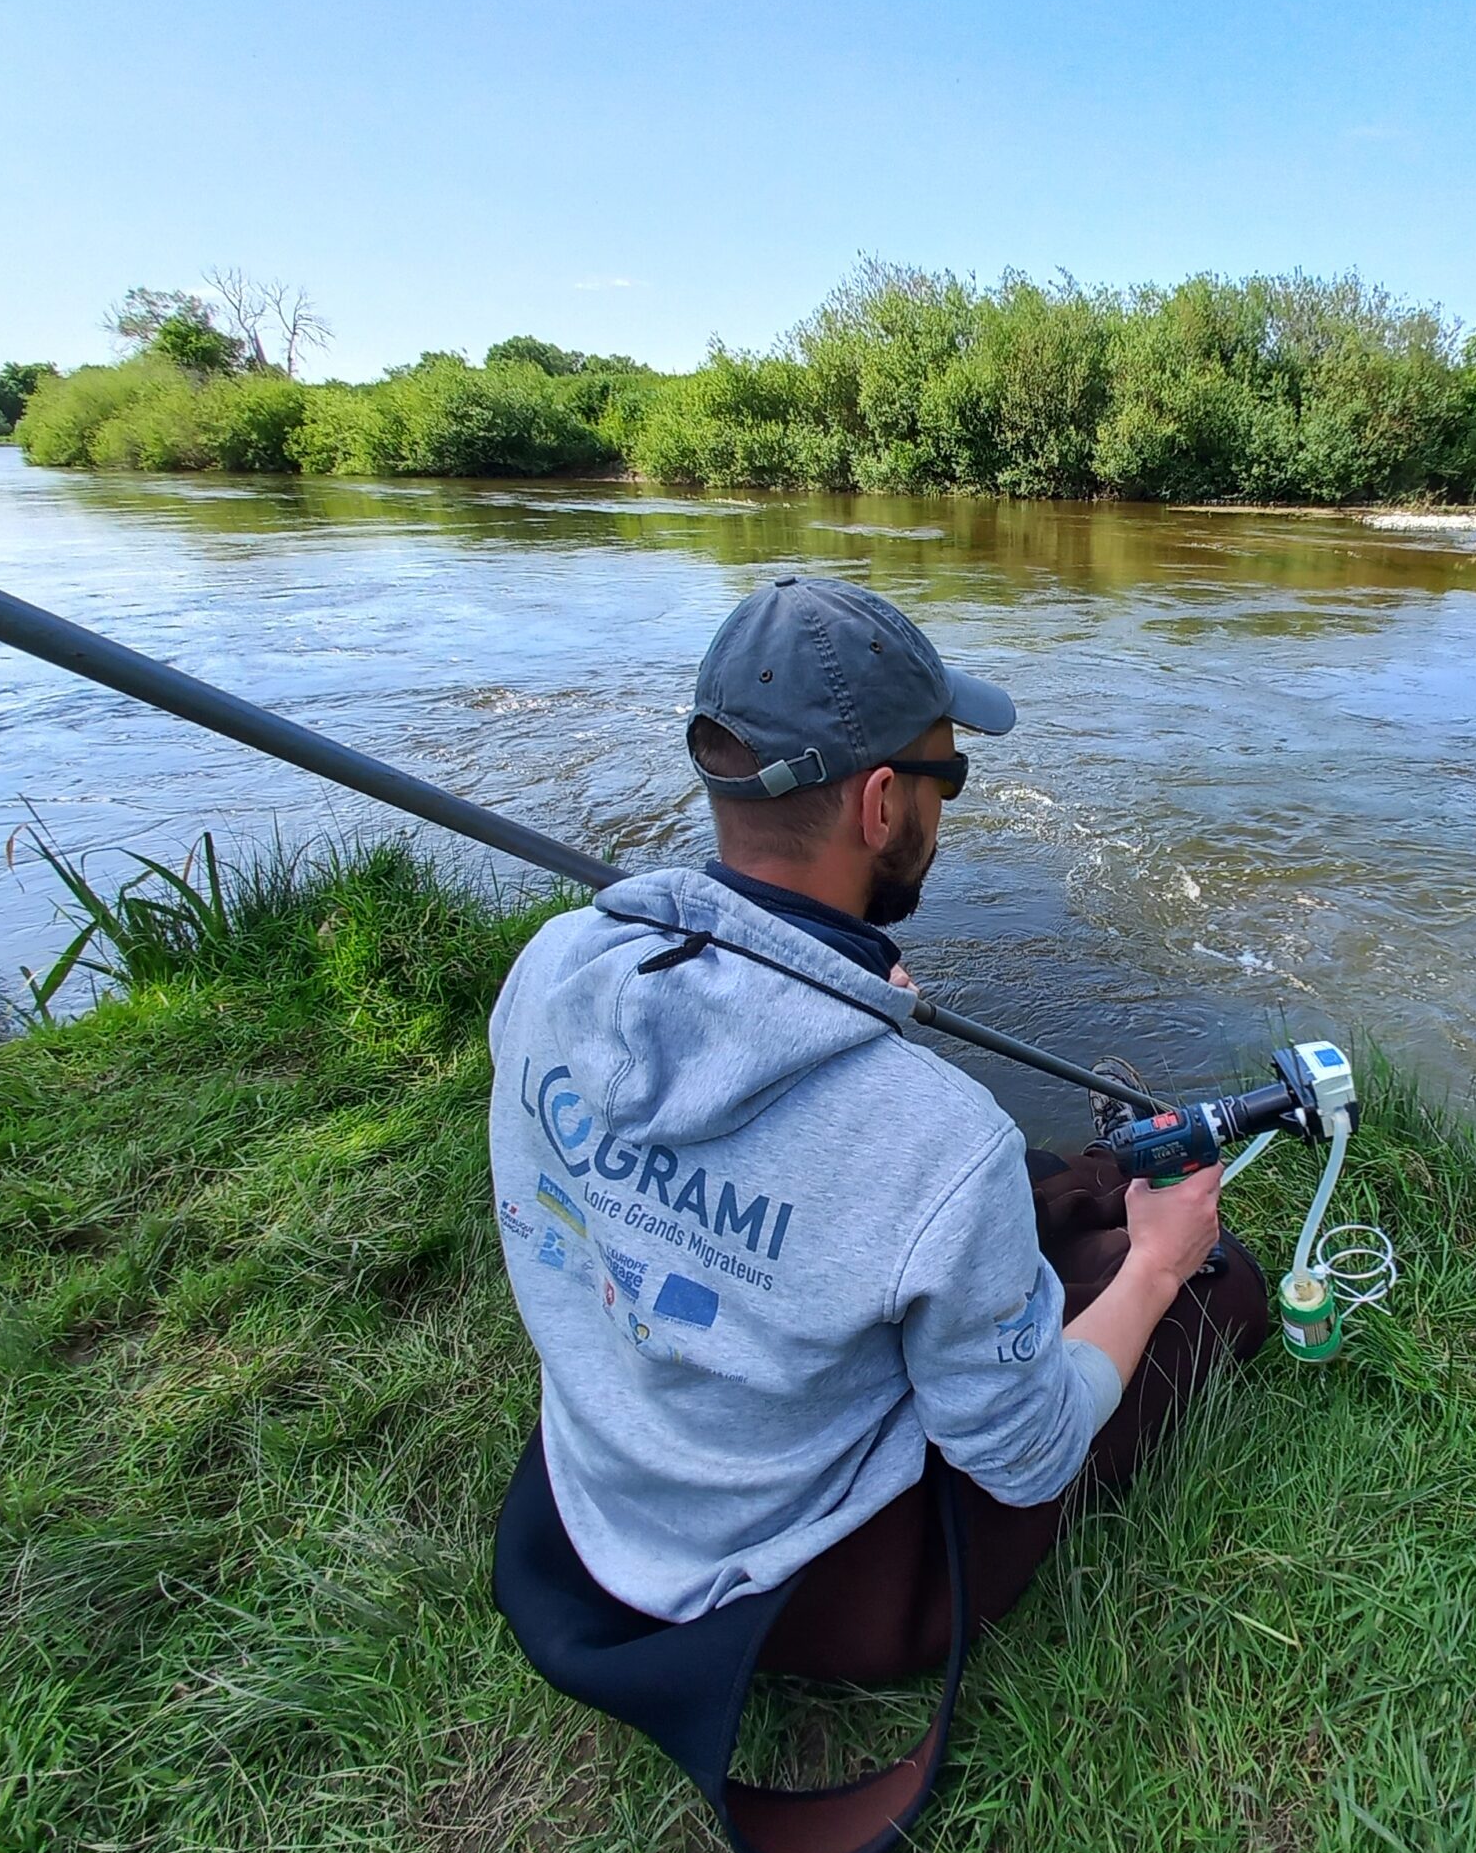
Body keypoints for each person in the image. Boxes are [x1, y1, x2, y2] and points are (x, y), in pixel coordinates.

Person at [486, 574, 1268, 1695]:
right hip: (797, 1580)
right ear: (881, 804)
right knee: (1214, 1280)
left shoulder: (552, 966)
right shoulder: (934, 1133)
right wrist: (1155, 1269)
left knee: (1023, 1195)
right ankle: (1150, 1230)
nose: (945, 810)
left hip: (614, 1481)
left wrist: (847, 1007)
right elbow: (1029, 1455)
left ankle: (1109, 1180)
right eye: (948, 778)